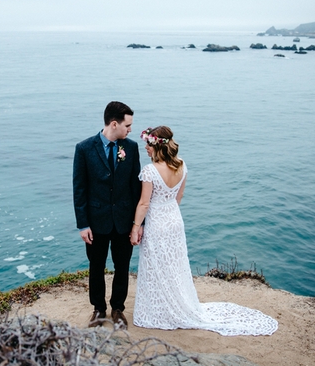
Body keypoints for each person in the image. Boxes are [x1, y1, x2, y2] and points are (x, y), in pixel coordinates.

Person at [130, 126, 278, 336]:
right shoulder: (182, 165)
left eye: (148, 143)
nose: (145, 147)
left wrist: (136, 227)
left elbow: (144, 204)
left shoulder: (150, 171)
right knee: (174, 265)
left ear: (156, 145)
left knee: (156, 265)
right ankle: (177, 303)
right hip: (174, 220)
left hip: (157, 223)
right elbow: (177, 199)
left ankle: (160, 311)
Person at [73, 101, 142, 329]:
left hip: (123, 221)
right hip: (96, 222)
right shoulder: (83, 149)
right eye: (128, 125)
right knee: (96, 267)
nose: (130, 130)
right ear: (114, 124)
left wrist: (137, 224)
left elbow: (136, 188)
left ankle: (118, 309)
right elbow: (79, 189)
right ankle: (99, 309)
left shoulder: (130, 148)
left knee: (122, 267)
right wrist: (83, 225)